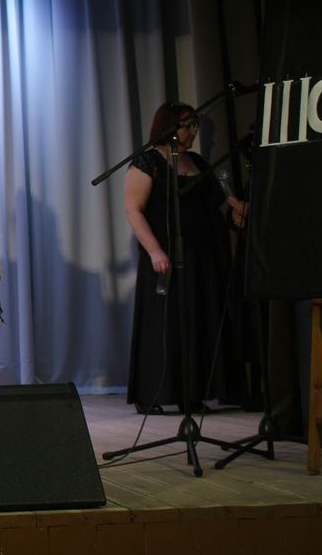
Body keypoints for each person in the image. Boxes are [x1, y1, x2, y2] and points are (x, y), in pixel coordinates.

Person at [123, 101, 249, 413]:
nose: (192, 132)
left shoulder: (198, 162)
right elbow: (134, 210)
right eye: (187, 126)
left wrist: (235, 213)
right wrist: (155, 251)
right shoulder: (148, 162)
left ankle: (192, 393)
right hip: (167, 255)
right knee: (165, 323)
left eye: (195, 126)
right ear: (168, 127)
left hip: (202, 257)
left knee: (198, 321)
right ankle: (152, 393)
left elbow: (215, 203)